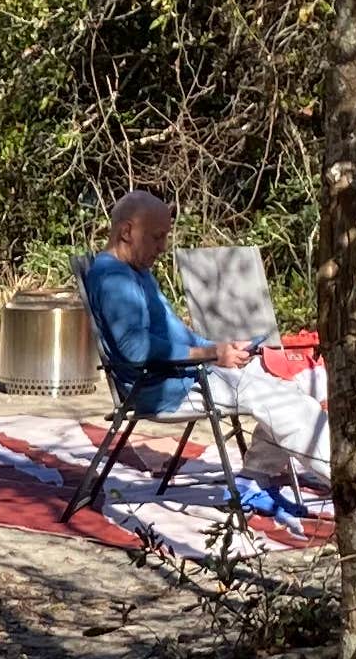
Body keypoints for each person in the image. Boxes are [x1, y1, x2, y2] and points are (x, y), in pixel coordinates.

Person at [75, 191, 333, 487]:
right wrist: (210, 353)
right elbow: (135, 348)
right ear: (126, 232)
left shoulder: (136, 270)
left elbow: (174, 334)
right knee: (284, 401)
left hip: (187, 373)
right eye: (157, 237)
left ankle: (258, 474)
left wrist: (223, 348)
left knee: (295, 381)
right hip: (166, 387)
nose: (163, 247)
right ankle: (353, 487)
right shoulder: (114, 279)